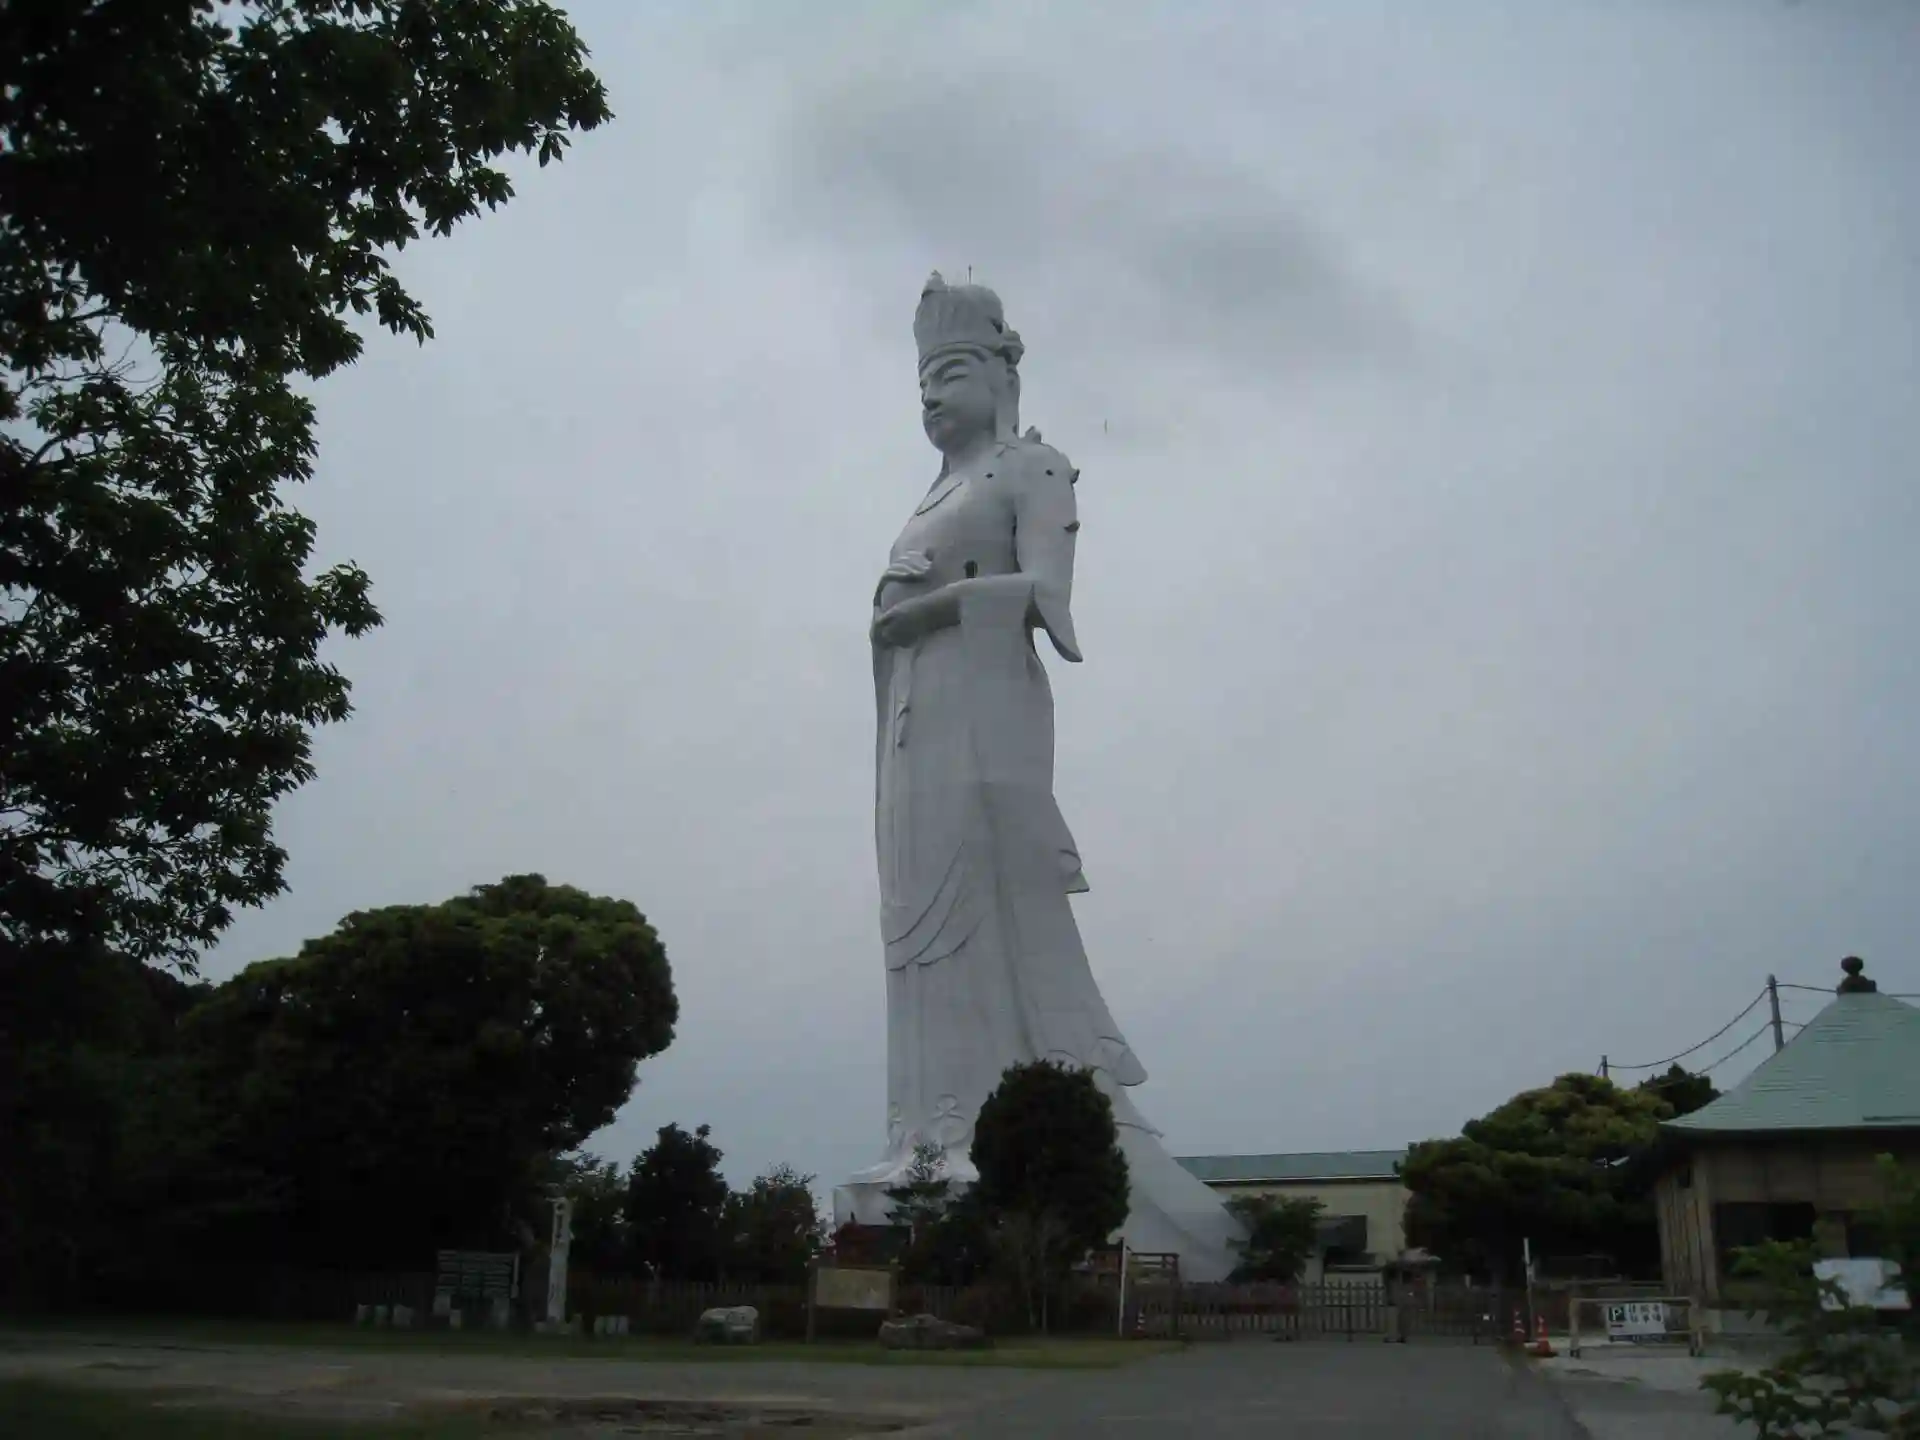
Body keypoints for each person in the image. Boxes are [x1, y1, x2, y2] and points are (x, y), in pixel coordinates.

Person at [834, 273, 1241, 1281]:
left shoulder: (1033, 469)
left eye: (951, 372)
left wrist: (932, 608)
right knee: (916, 931)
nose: (931, 396)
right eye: (921, 381)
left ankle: (991, 1126)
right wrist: (893, 617)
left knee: (988, 907)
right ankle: (924, 1136)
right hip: (915, 731)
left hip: (986, 726)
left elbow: (1048, 599)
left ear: (1001, 373)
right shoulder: (928, 498)